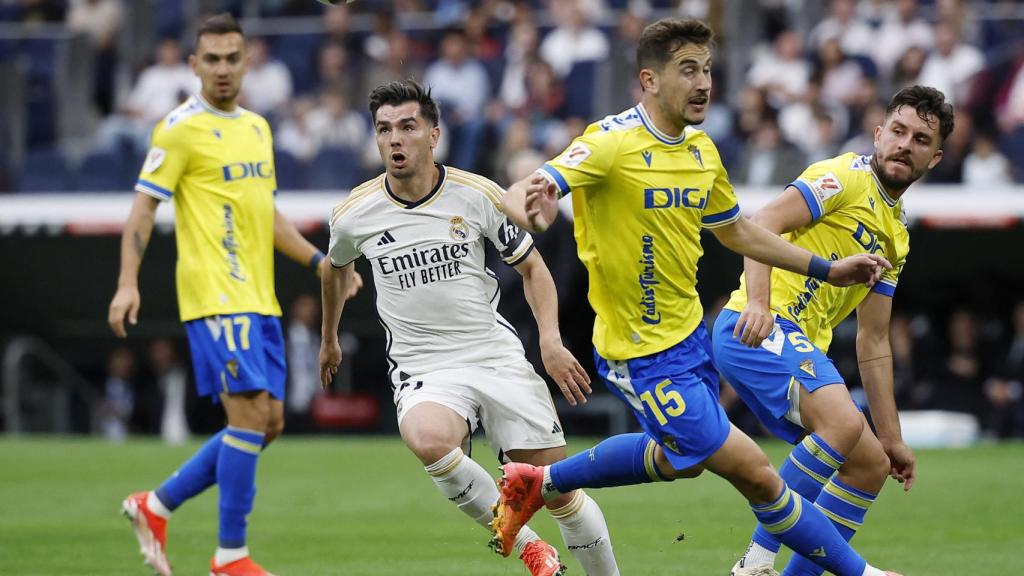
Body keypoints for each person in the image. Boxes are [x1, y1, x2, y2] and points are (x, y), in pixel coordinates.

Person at [490, 19, 901, 576]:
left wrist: (827, 269)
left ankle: (538, 481)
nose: (704, 81)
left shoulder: (703, 151)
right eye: (688, 69)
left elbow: (740, 232)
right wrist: (526, 205)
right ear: (649, 80)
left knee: (679, 463)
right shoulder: (611, 141)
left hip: (690, 341)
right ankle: (857, 573)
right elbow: (532, 186)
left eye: (707, 69)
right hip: (639, 352)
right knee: (757, 473)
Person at [320, 79, 619, 576]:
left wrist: (549, 339)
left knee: (559, 490)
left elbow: (533, 267)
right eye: (384, 129)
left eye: (407, 127)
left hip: (493, 354)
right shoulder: (355, 213)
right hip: (424, 365)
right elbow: (334, 267)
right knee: (427, 437)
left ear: (433, 135)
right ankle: (529, 548)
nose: (395, 139)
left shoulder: (478, 194)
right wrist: (330, 338)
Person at [107, 14, 351, 576]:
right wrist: (127, 281)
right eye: (210, 59)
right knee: (246, 418)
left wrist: (321, 261)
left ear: (247, 64)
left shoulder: (258, 129)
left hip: (258, 296)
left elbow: (264, 215)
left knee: (269, 423)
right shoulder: (178, 129)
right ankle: (230, 557)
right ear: (193, 66)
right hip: (214, 296)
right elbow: (143, 208)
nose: (221, 69)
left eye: (231, 58)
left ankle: (157, 504)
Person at [713, 85, 953, 576]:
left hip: (797, 346)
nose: (907, 144)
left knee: (868, 466)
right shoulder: (843, 176)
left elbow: (874, 339)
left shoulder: (897, 235)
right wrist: (758, 301)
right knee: (843, 424)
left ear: (936, 157)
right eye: (900, 131)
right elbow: (760, 222)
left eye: (922, 139)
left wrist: (892, 438)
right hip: (757, 327)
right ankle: (755, 562)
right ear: (879, 133)